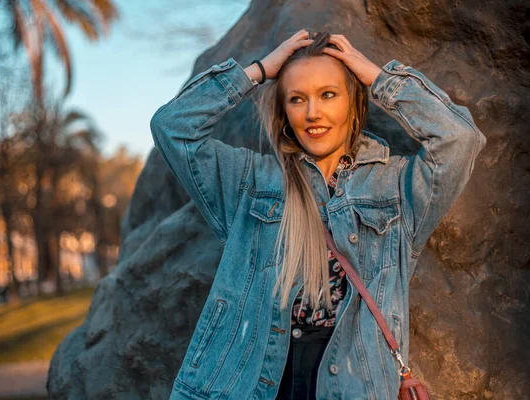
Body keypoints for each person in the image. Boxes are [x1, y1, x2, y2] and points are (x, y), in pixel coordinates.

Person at [150, 29, 486, 400]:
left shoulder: (395, 187)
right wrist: (259, 71)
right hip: (251, 380)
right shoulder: (249, 181)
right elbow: (173, 127)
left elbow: (459, 139)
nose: (313, 113)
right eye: (296, 99)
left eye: (328, 94)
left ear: (354, 104)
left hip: (353, 382)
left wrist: (377, 78)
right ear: (284, 113)